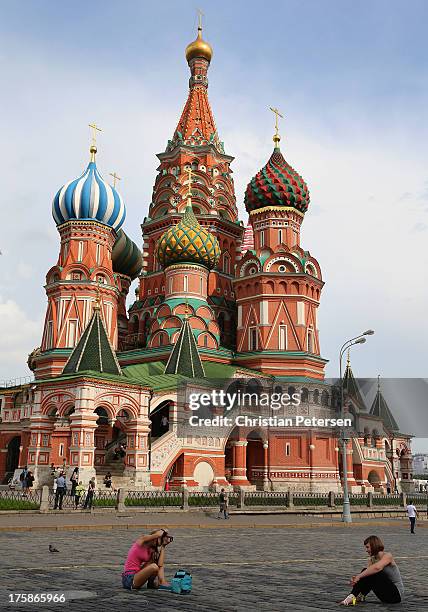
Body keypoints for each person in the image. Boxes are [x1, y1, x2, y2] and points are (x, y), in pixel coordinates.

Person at [340, 535, 404, 605]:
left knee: (373, 572)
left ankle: (352, 596)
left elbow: (377, 568)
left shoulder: (388, 555)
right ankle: (359, 596)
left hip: (396, 596)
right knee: (367, 572)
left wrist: (359, 576)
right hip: (384, 596)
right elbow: (368, 578)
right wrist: (357, 580)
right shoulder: (372, 559)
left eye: (367, 547)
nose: (366, 550)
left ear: (374, 546)